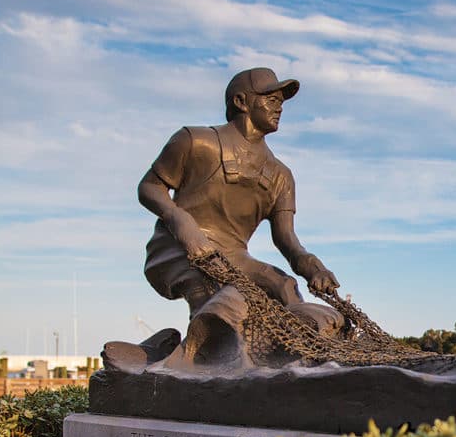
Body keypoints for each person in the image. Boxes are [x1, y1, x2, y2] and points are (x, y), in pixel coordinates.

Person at [137, 67, 342, 366]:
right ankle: (205, 366)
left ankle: (300, 360)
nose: (279, 107)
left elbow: (286, 239)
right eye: (270, 99)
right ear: (241, 102)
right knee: (224, 297)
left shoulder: (281, 175)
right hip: (179, 247)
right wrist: (179, 220)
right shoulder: (196, 141)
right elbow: (149, 187)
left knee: (283, 286)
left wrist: (313, 267)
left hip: (235, 256)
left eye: (280, 101)